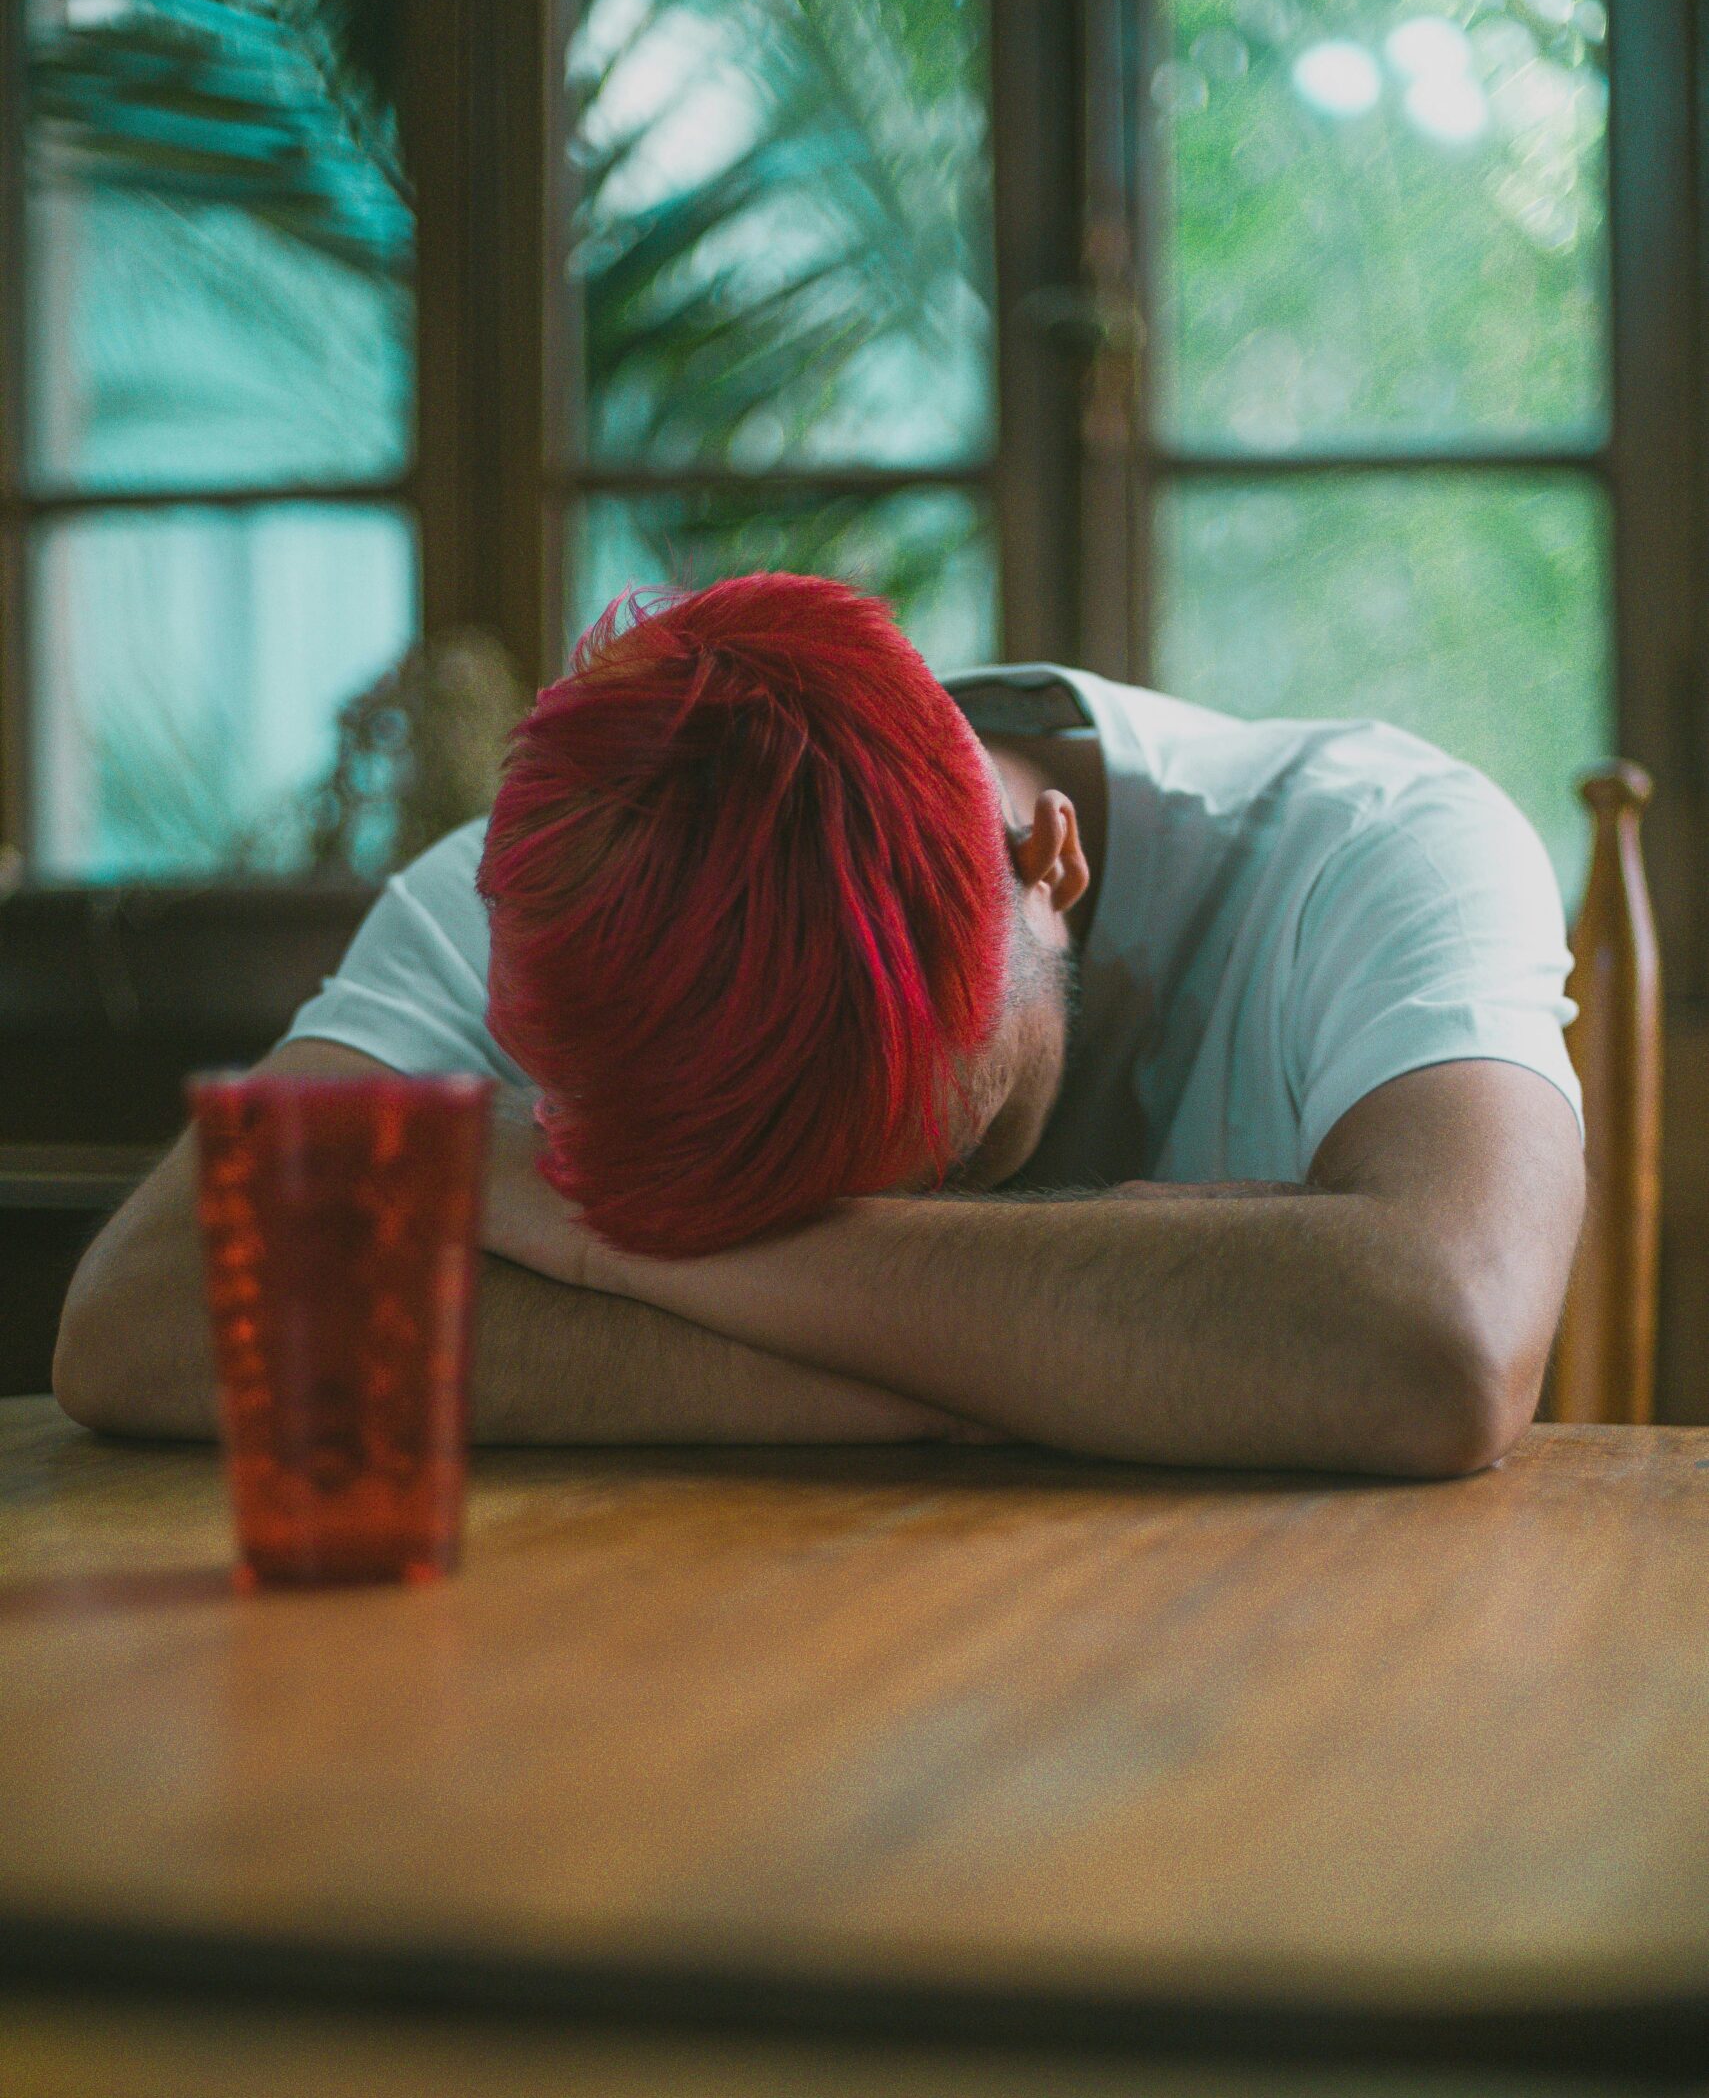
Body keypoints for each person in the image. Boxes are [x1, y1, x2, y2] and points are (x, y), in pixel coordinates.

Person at [55, 572, 1584, 1475]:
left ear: (1045, 857)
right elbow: (145, 1319)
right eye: (743, 1209)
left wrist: (603, 1238)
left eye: (957, 1146)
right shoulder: (556, 883)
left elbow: (1435, 1334)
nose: (890, 1222)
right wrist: (1073, 1363)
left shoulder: (1378, 846)